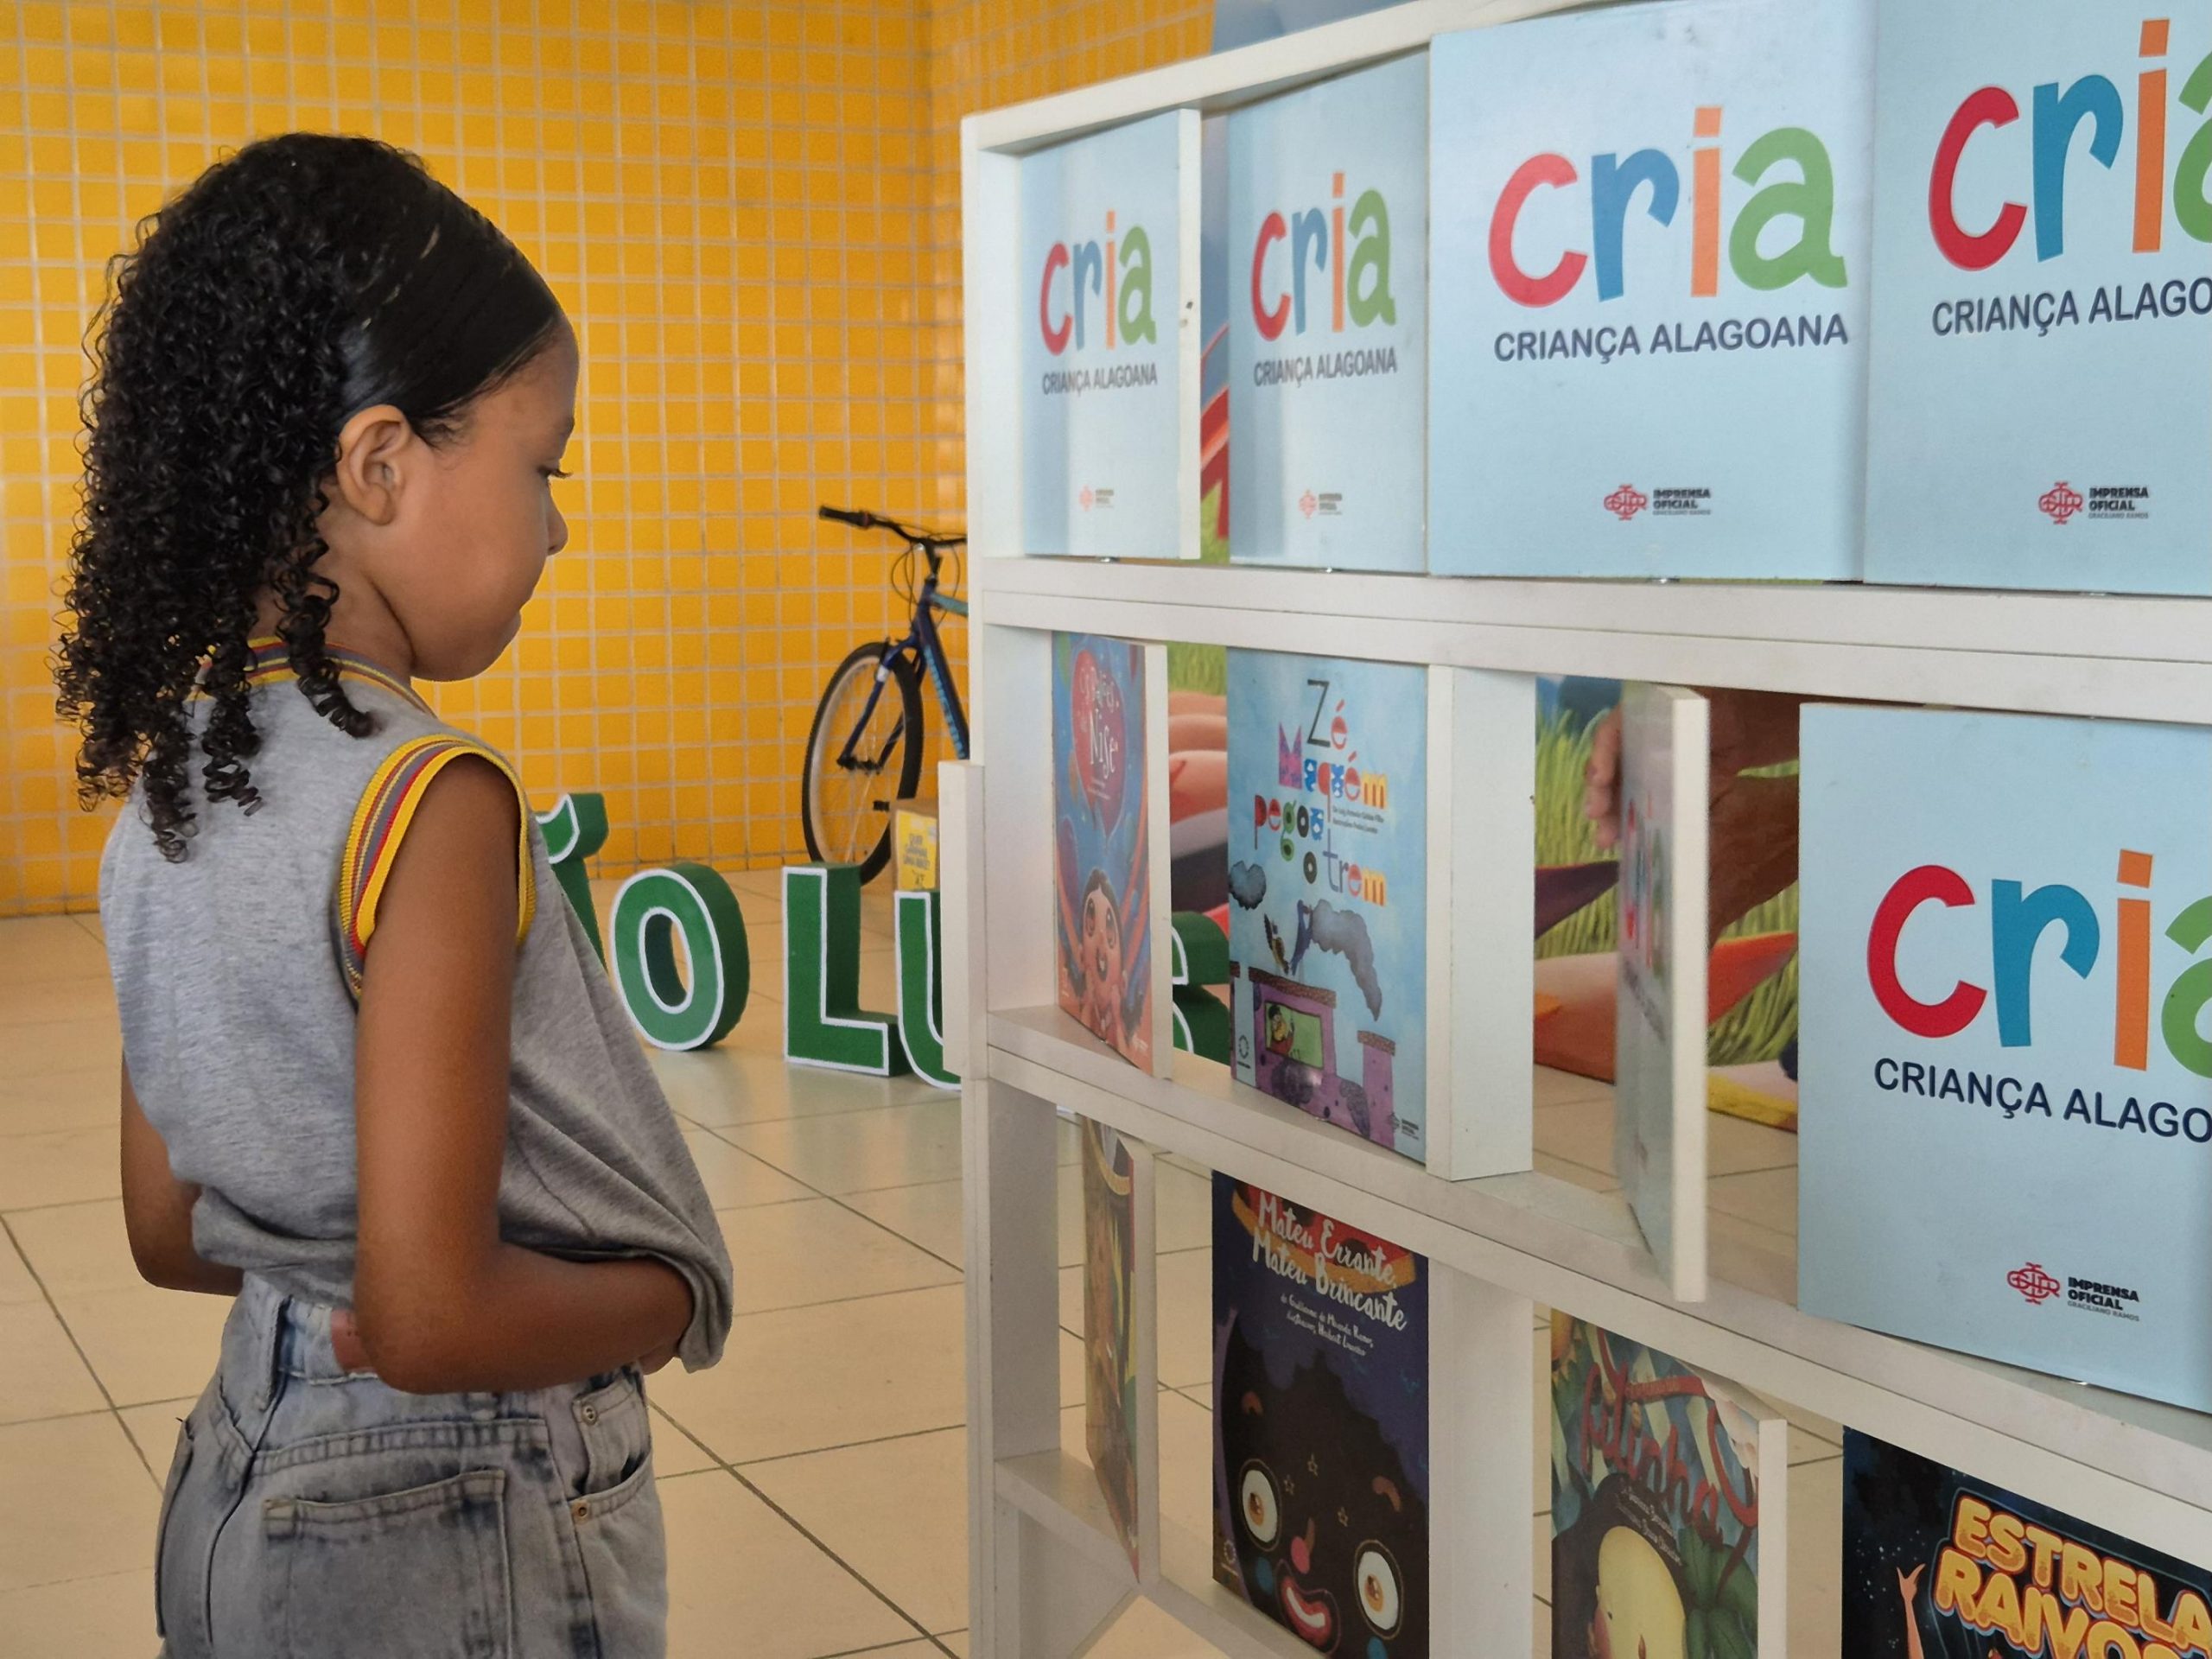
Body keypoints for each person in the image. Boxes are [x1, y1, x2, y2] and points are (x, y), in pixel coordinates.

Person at [54, 133, 734, 1657]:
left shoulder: (173, 783)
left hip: (240, 1470)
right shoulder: (433, 801)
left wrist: (332, 1294)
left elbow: (169, 1226)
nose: (557, 524)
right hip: (449, 1505)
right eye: (542, 465)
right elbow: (430, 1325)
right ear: (379, 464)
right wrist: (675, 1299)